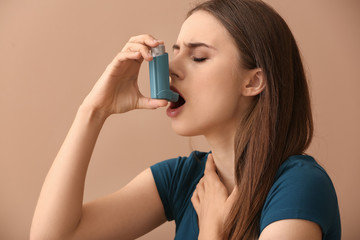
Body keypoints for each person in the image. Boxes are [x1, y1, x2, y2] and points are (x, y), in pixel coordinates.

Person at [30, 0, 341, 239]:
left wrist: (210, 233)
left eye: (198, 57)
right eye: (174, 52)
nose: (171, 69)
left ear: (253, 82)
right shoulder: (181, 178)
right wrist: (93, 111)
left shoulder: (299, 186)